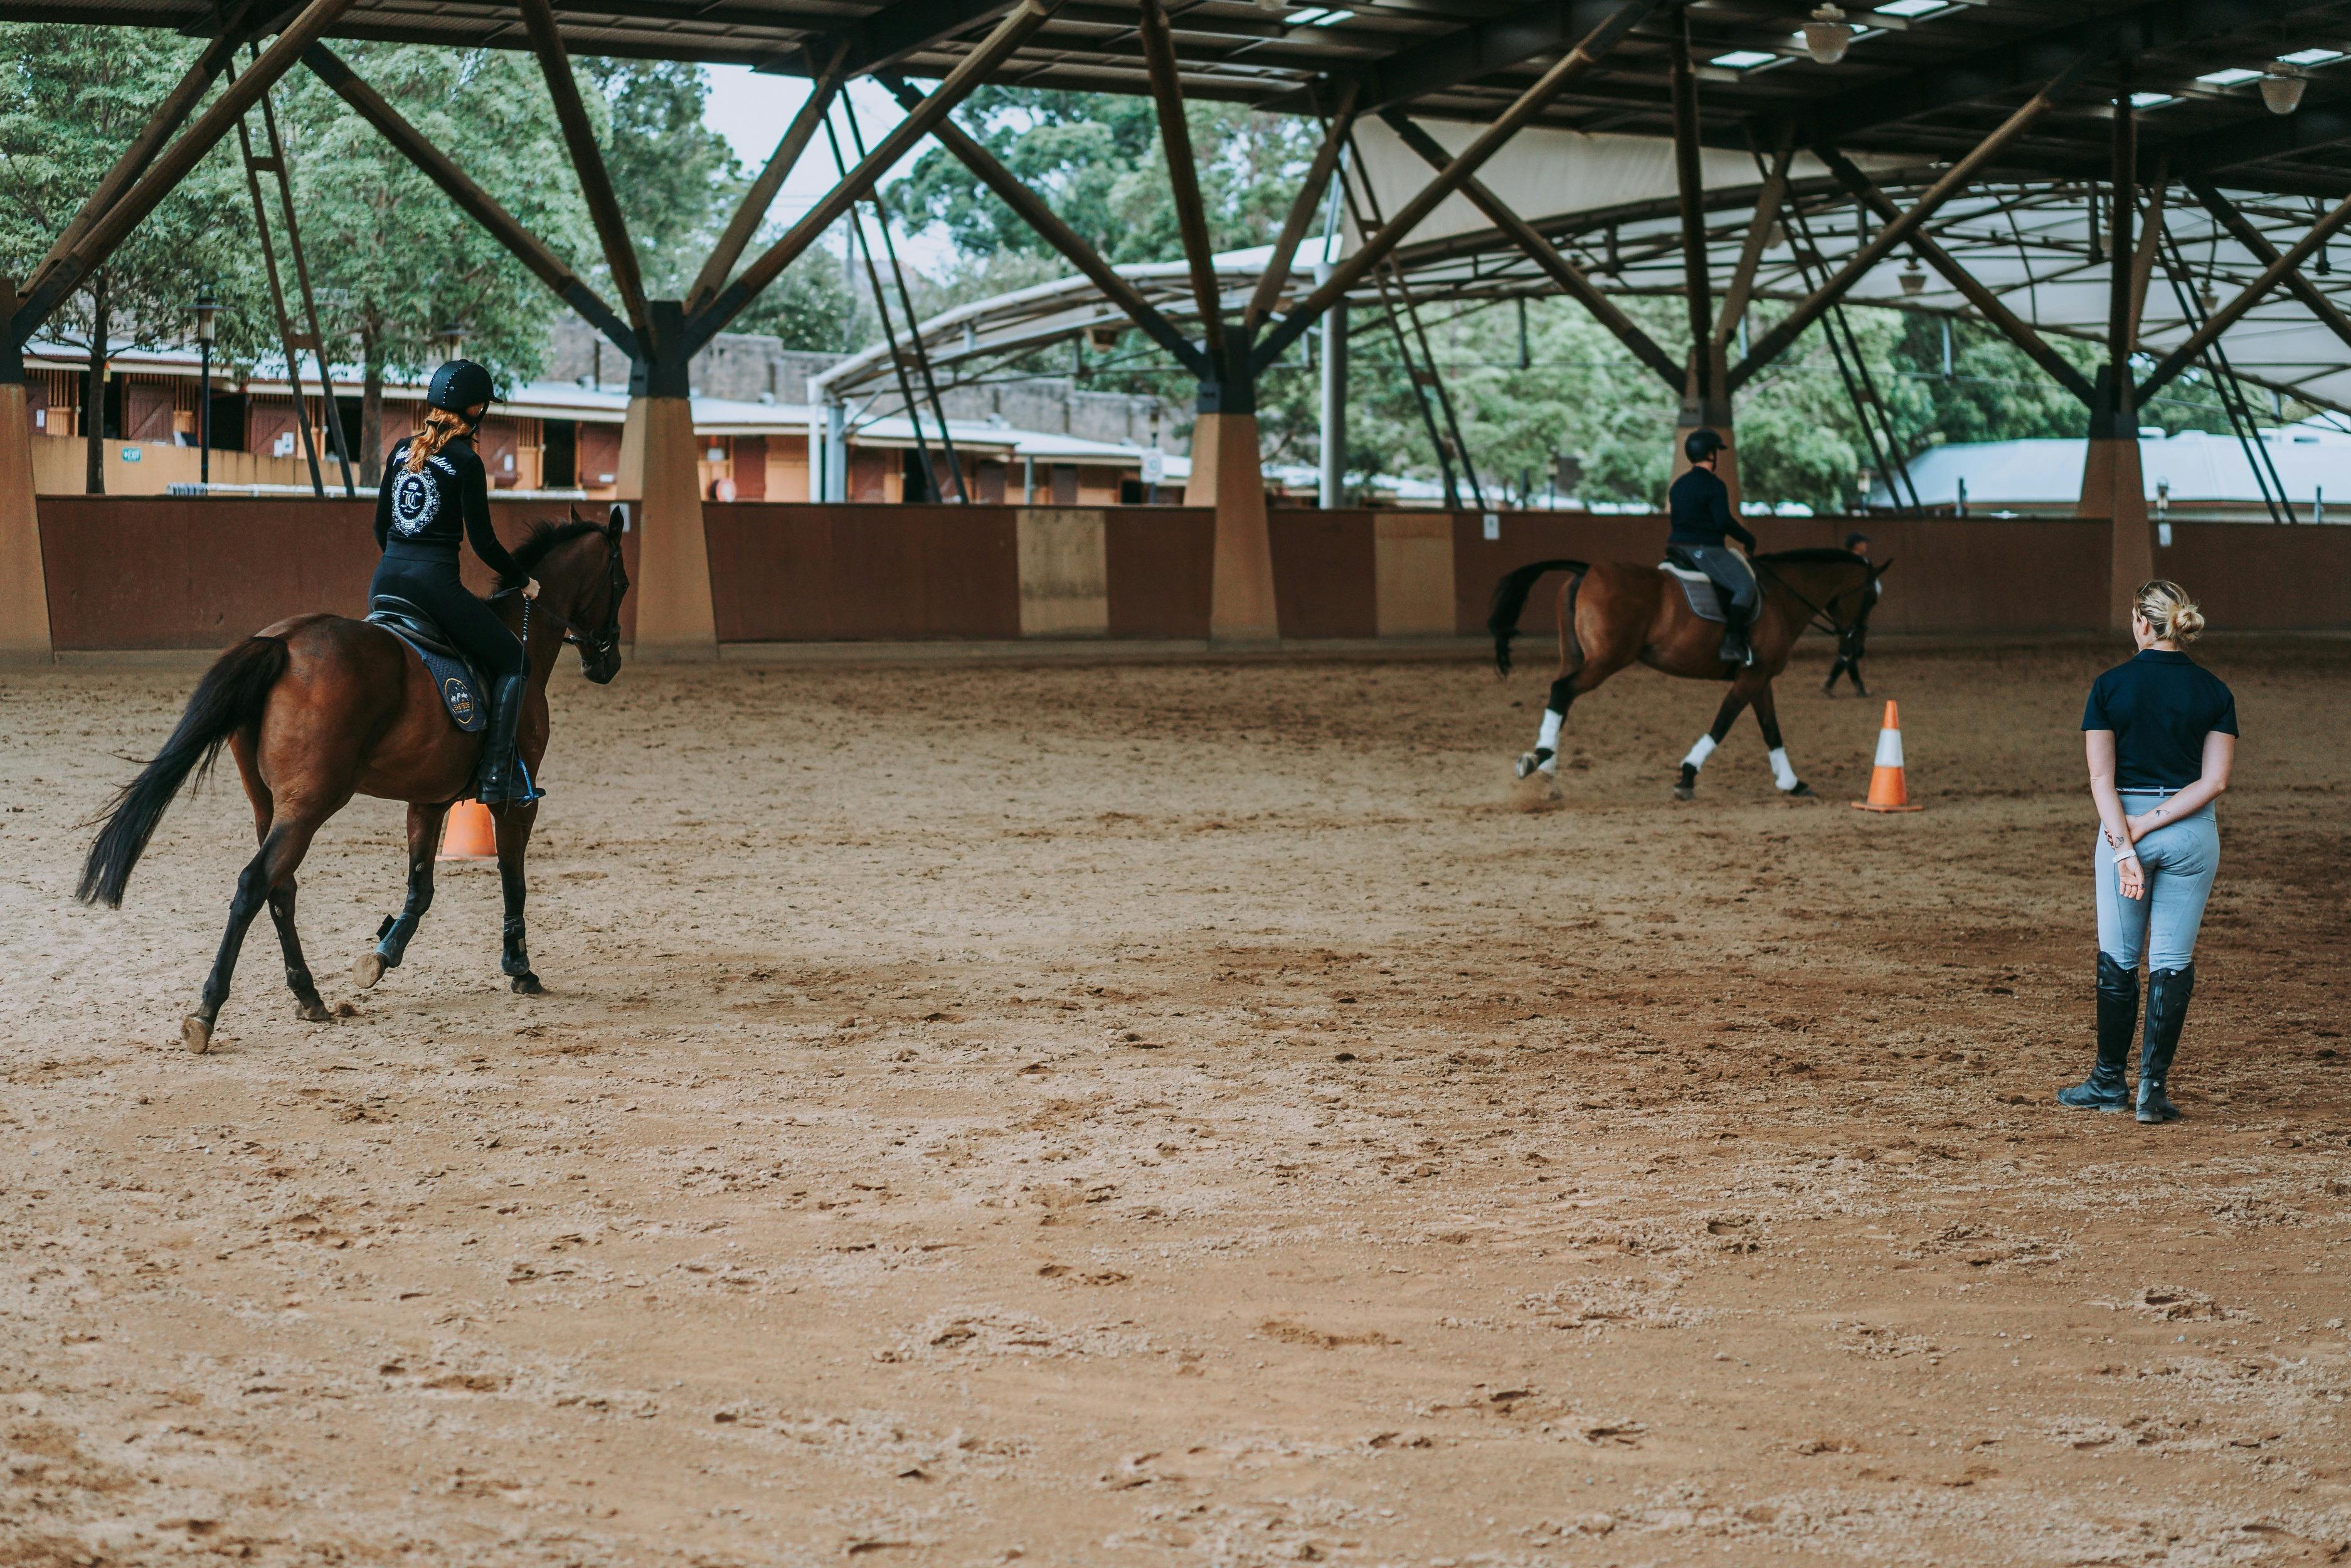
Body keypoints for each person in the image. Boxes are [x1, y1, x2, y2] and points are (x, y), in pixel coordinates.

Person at [2059, 580, 2237, 1125]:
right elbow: (2215, 781)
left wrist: (2125, 845)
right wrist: (2155, 822)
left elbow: (2100, 779)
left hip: (2123, 826)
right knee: (2172, 961)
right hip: (2190, 832)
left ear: (2141, 623)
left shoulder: (2110, 686)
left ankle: (2108, 1082)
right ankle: (2152, 1093)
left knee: (2119, 956)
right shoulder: (2214, 691)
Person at [371, 359, 539, 805]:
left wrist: (402, 559)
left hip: (385, 583)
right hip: (433, 589)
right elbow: (484, 543)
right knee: (515, 662)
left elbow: (381, 527)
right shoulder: (466, 461)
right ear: (477, 409)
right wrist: (523, 579)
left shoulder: (400, 450)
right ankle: (496, 776)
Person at [1666, 428, 1758, 667]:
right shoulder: (1714, 485)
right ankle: (1732, 643)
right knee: (1745, 586)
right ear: (1710, 454)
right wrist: (1747, 537)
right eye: (1716, 451)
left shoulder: (1678, 485)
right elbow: (1723, 521)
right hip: (1704, 549)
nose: (1717, 455)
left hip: (1676, 548)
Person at [1822, 531, 1878, 696]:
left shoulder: (1857, 562)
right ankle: (1841, 685)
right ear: (1856, 545)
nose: (1865, 545)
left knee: (1849, 650)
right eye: (1863, 542)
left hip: (1854, 612)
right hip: (1851, 613)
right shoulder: (1857, 564)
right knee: (1849, 650)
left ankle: (1836, 685)